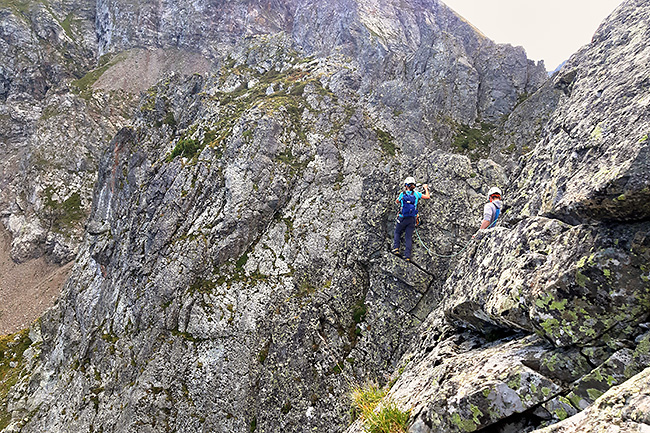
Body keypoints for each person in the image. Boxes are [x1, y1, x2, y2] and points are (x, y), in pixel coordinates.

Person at [392, 177, 430, 261]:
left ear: (406, 185)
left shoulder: (403, 194)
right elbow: (427, 197)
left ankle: (396, 248)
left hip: (402, 218)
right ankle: (407, 256)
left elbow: (397, 201)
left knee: (397, 232)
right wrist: (426, 188)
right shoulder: (417, 194)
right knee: (408, 237)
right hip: (412, 219)